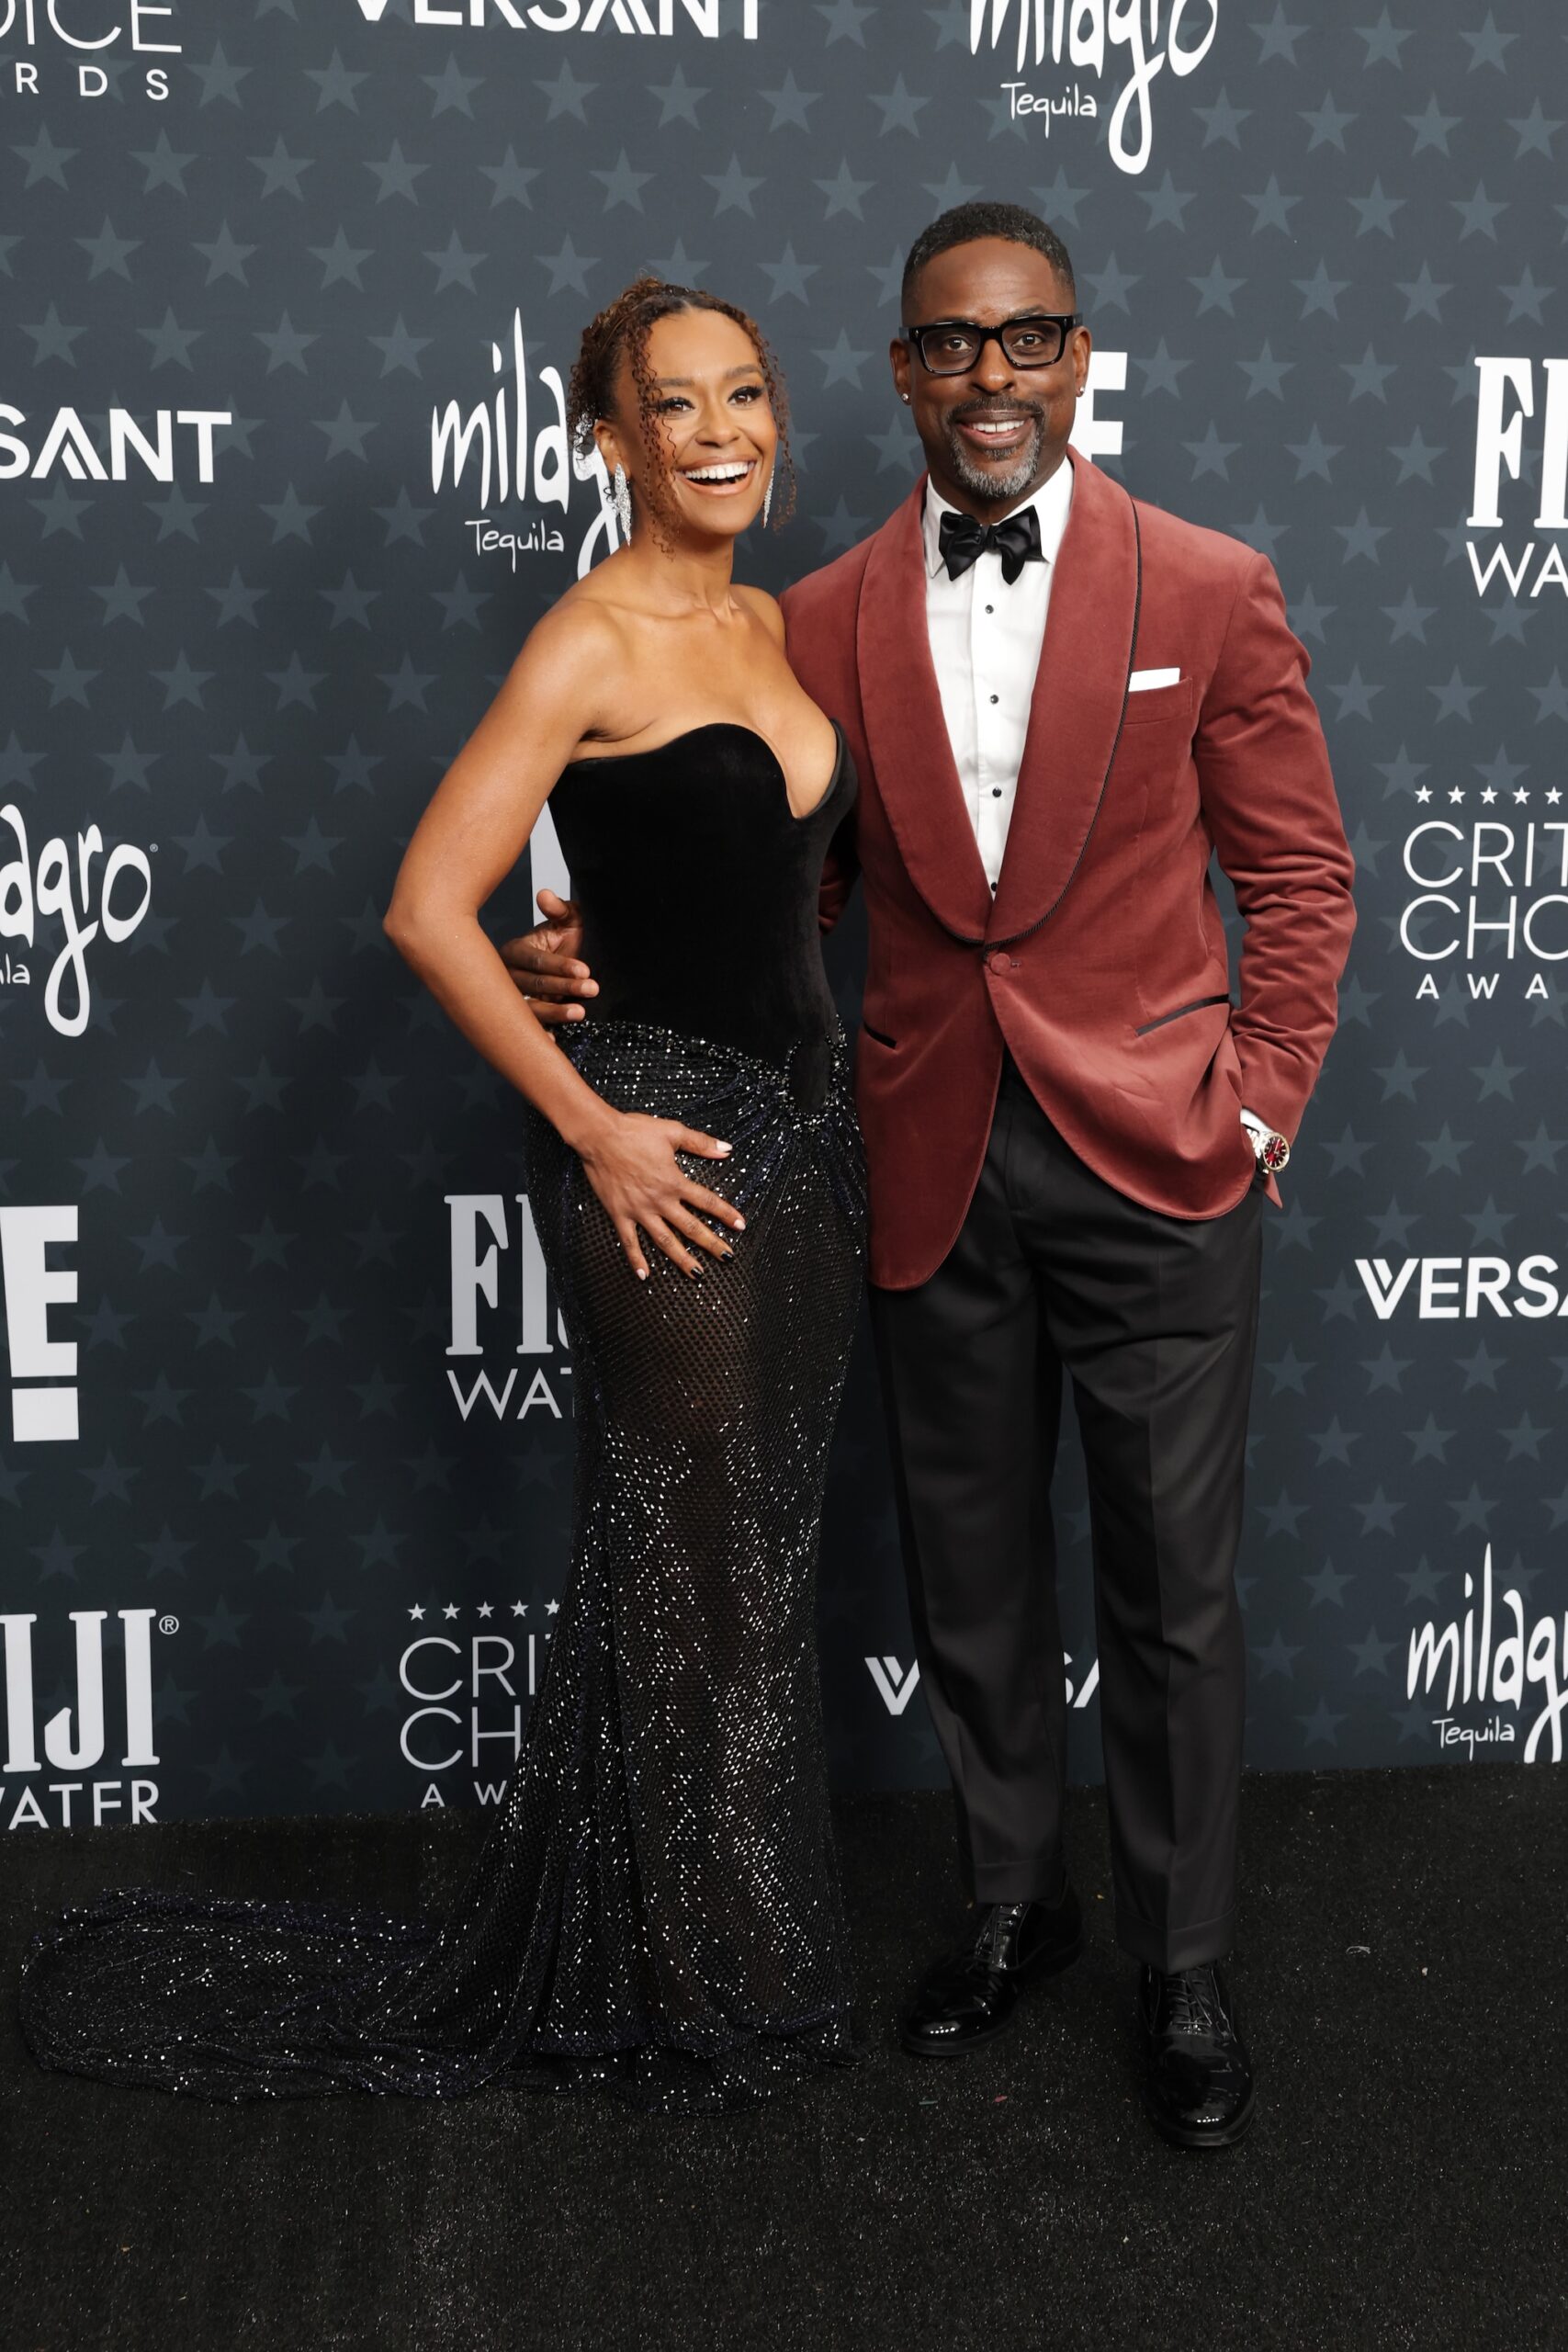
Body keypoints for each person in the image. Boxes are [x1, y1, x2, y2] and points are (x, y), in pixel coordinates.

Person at [505, 203, 1358, 2151]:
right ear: (901, 372)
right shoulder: (816, 615)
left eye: (1025, 337)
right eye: (950, 344)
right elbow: (769, 887)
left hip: (1159, 1164)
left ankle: (1181, 1962)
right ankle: (1010, 1901)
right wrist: (580, 957)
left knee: (1171, 1594)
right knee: (970, 1574)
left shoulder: (1208, 584)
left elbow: (1300, 876)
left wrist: (1256, 1108)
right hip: (922, 1157)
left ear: (1078, 356)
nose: (990, 376)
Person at [17, 278, 867, 2117]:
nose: (720, 430)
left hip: (805, 1147)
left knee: (744, 1564)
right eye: (674, 404)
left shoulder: (774, 623)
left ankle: (687, 1949)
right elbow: (425, 906)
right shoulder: (587, 639)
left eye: (743, 393)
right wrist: (592, 1122)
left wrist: (591, 933)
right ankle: (693, 1985)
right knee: (684, 1568)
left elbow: (744, 887)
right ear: (609, 439)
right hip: (664, 1150)